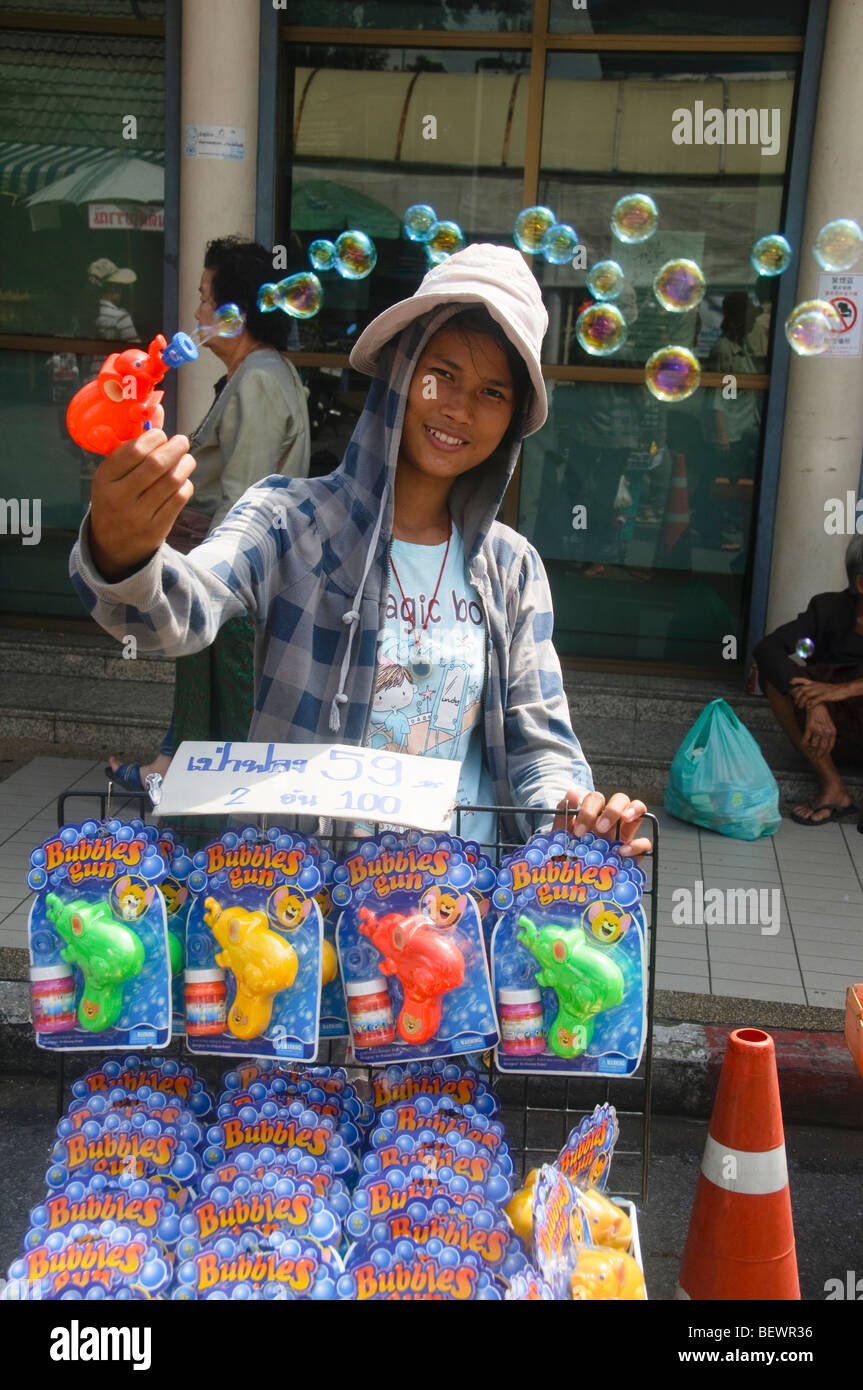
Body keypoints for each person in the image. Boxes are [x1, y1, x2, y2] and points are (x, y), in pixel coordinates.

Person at [72, 243, 649, 853]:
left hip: (455, 915)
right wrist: (123, 548)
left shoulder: (511, 570)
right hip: (304, 912)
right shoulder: (288, 519)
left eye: (493, 393)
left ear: (511, 422)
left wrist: (575, 813)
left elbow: (542, 746)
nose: (458, 407)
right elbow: (175, 613)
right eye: (442, 373)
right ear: (401, 371)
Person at [106, 236, 311, 791]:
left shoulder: (261, 378)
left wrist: (201, 535)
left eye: (204, 298)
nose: (196, 313)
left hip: (235, 582)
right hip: (222, 570)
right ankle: (170, 773)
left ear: (232, 315)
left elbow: (246, 497)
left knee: (229, 703)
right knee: (204, 690)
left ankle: (206, 804)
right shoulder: (255, 374)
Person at [754, 535, 863, 825]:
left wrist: (841, 690)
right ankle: (833, 788)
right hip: (831, 732)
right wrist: (816, 702)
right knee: (779, 678)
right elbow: (768, 648)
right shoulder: (828, 609)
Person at [87, 258, 140, 342]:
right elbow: (134, 351)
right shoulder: (121, 318)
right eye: (119, 286)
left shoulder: (86, 315)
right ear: (113, 288)